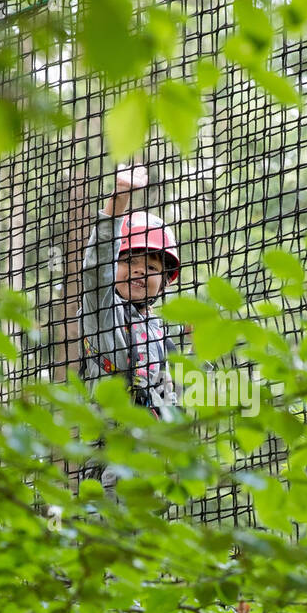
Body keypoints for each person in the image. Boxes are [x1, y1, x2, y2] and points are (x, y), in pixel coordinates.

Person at [77, 164, 181, 497]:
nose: (138, 272)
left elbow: (182, 400)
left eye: (150, 267)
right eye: (128, 263)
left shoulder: (162, 337)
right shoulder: (102, 312)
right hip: (110, 462)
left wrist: (198, 348)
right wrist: (118, 201)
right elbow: (95, 272)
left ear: (165, 281)